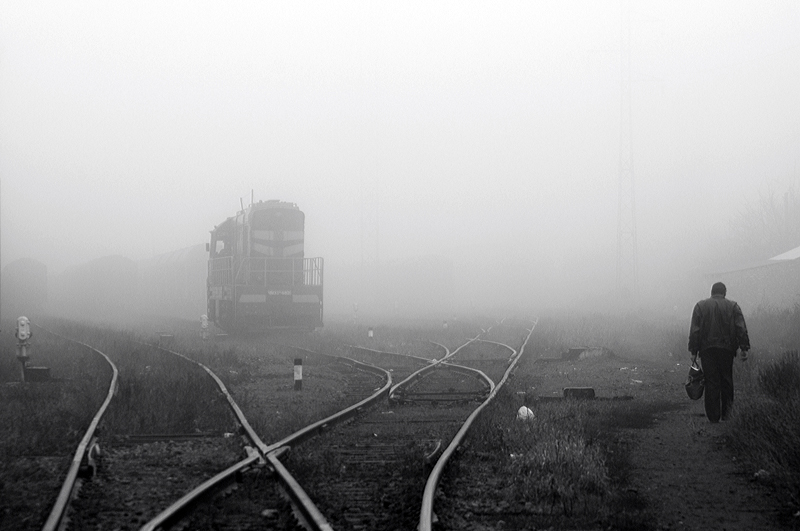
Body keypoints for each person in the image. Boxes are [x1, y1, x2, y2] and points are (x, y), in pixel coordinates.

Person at [688, 282, 750, 423]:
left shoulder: (700, 306)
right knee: (726, 380)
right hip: (727, 349)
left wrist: (693, 350)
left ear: (712, 292)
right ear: (724, 293)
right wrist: (744, 348)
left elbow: (695, 330)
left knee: (711, 381)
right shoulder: (733, 306)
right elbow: (740, 327)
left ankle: (713, 416)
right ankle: (727, 415)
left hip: (707, 349)